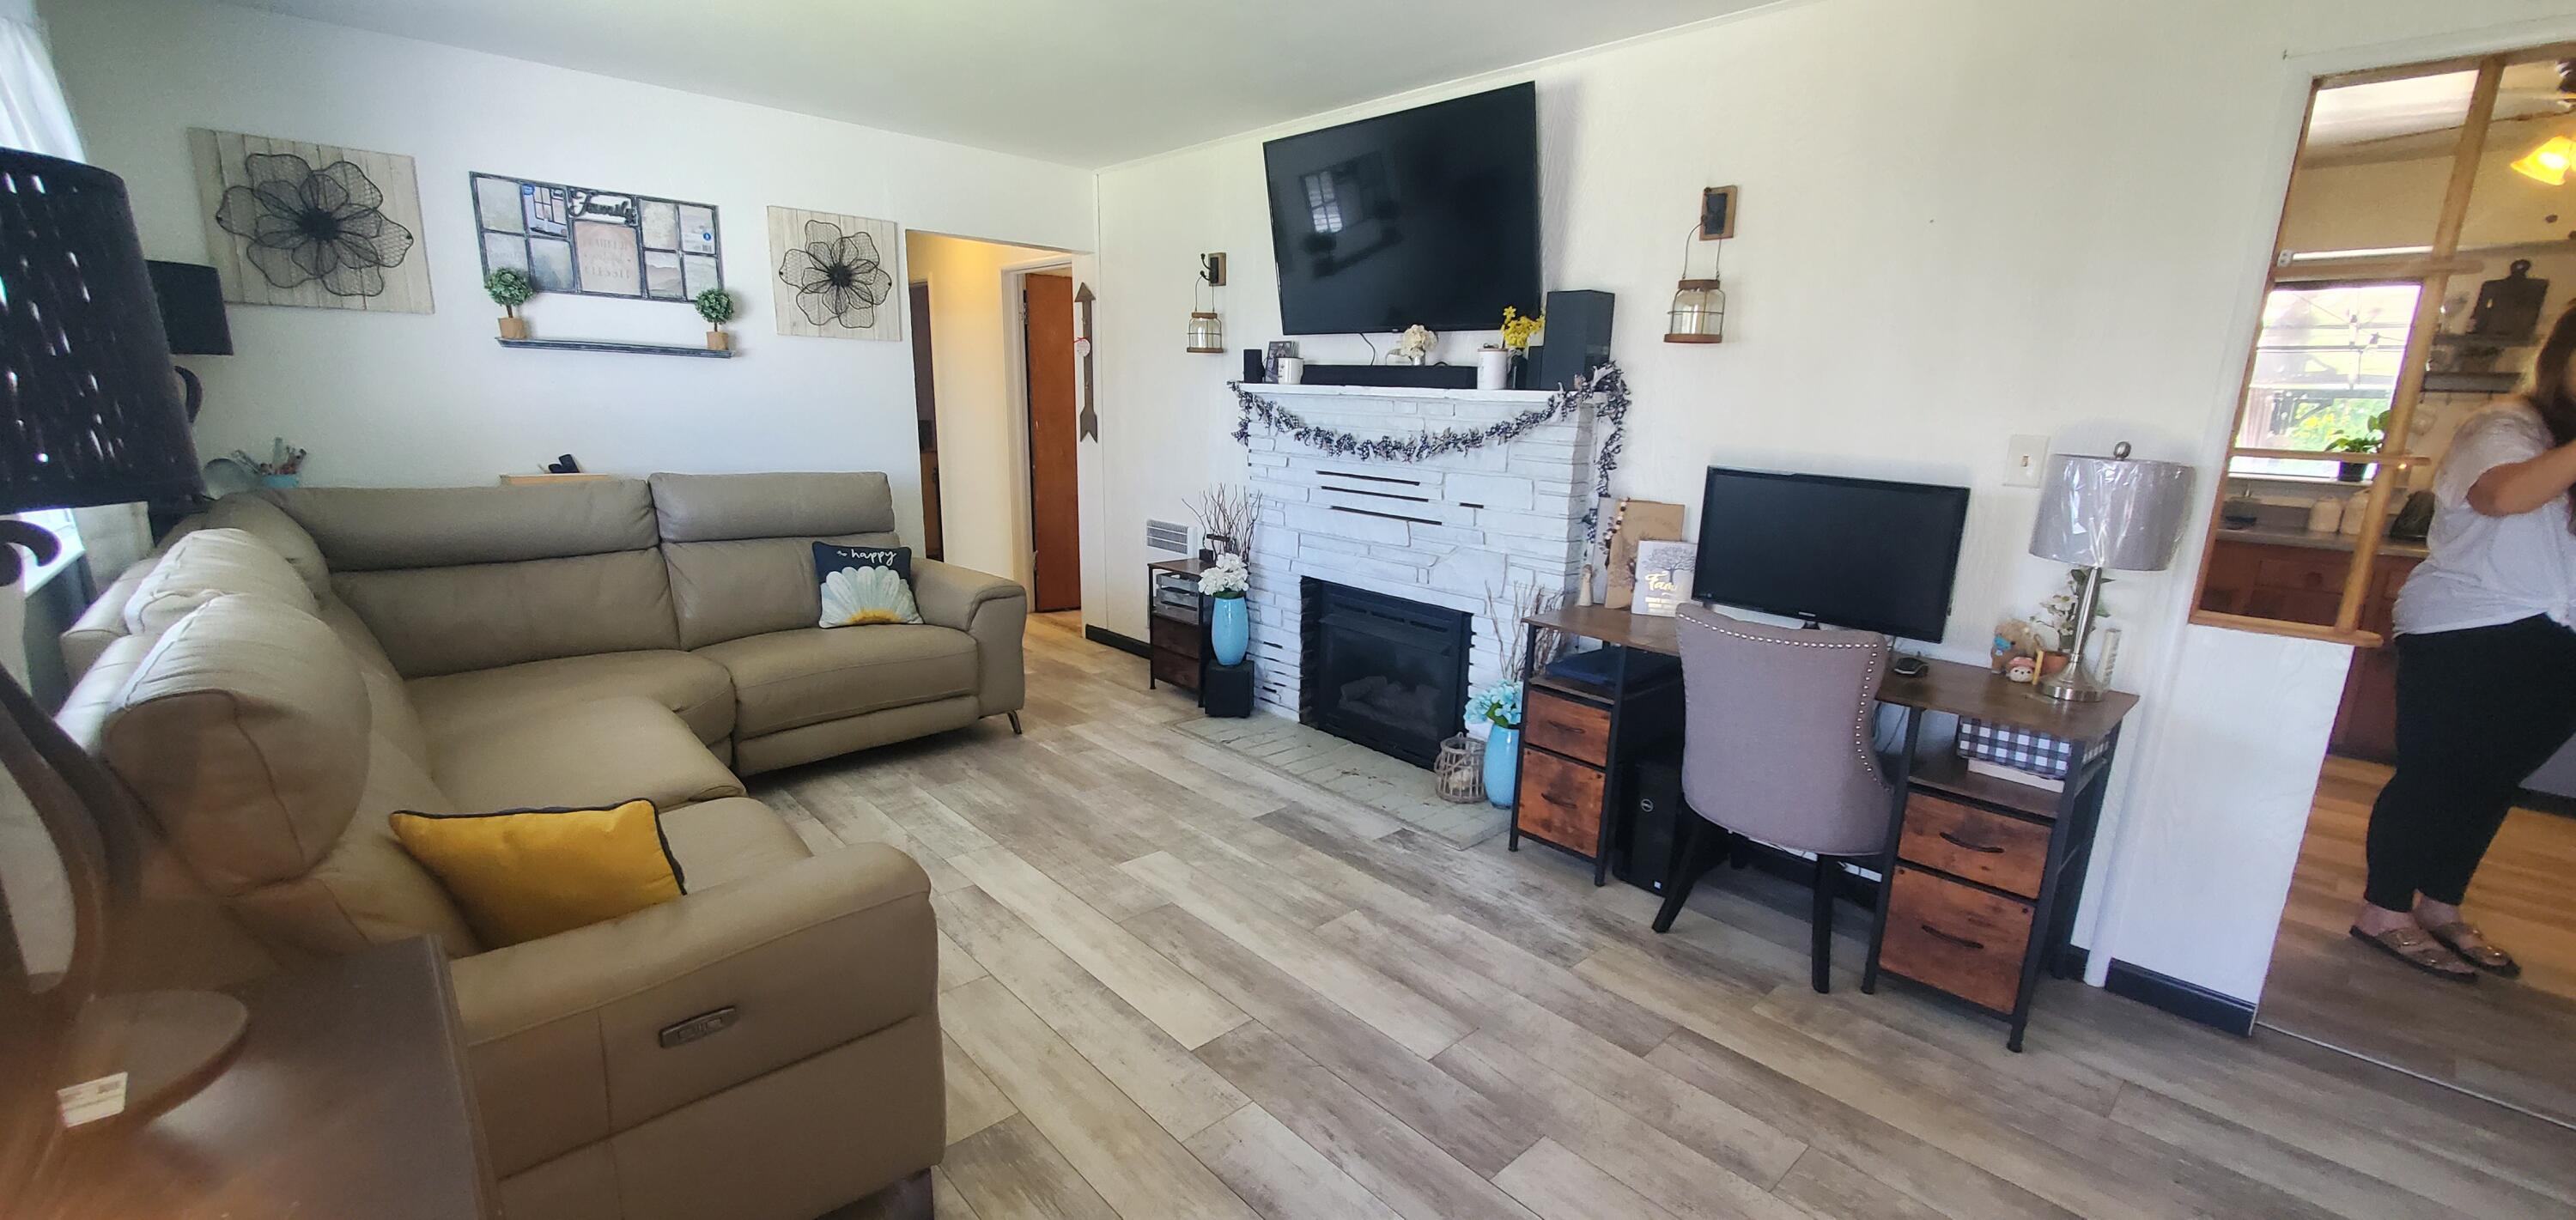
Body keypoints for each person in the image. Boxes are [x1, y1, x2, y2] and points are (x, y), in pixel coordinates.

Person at [2351, 303, 2576, 980]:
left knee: (2491, 782)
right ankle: (2384, 909)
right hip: (2468, 628)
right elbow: (2503, 497)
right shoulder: (2505, 426)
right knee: (2434, 773)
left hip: (2561, 635)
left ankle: (2440, 904)